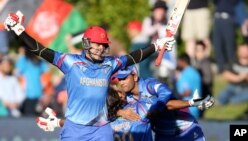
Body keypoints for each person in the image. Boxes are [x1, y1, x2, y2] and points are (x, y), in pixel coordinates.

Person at [4, 11, 175, 141]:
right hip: (73, 130)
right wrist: (19, 31)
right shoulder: (69, 62)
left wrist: (157, 45)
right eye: (96, 44)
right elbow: (39, 50)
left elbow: (133, 57)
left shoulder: (109, 64)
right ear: (86, 43)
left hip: (100, 130)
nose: (100, 48)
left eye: (103, 45)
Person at [36, 66, 214, 141]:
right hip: (162, 133)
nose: (120, 83)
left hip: (185, 129)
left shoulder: (149, 86)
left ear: (135, 76)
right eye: (118, 82)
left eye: (123, 79)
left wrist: (56, 122)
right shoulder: (133, 111)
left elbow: (166, 101)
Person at [175, 53, 202, 118]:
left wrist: (174, 97)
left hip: (187, 109)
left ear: (183, 61)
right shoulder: (195, 72)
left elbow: (187, 92)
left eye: (179, 61)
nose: (178, 63)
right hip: (196, 108)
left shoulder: (185, 74)